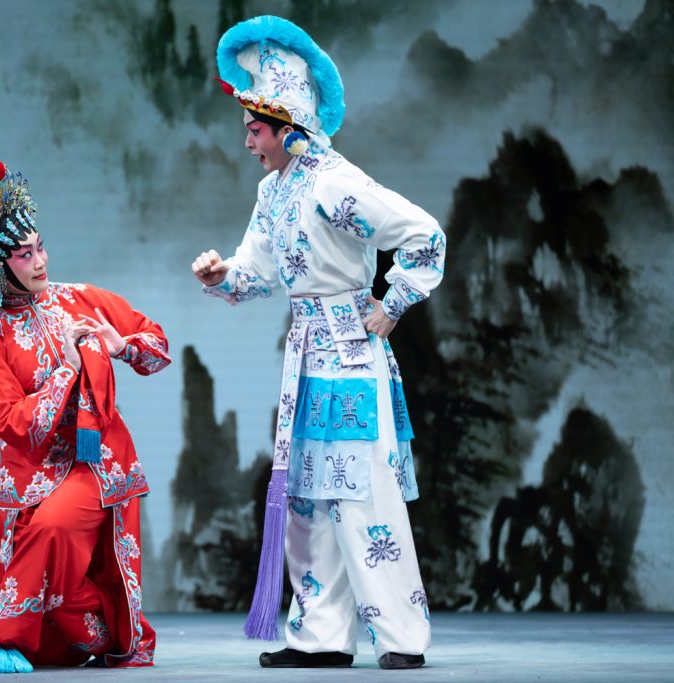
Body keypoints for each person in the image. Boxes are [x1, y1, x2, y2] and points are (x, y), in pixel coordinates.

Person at [191, 16, 446, 670]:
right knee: (306, 496)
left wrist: (392, 303)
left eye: (254, 129)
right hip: (305, 358)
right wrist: (223, 276)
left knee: (361, 494)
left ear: (287, 126)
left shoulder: (335, 183)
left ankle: (401, 636)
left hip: (352, 356)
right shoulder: (272, 190)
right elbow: (257, 270)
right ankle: (321, 635)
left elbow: (423, 234)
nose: (247, 141)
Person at [0, 158, 170, 673]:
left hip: (94, 461)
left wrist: (122, 347)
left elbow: (157, 347)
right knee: (62, 607)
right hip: (26, 472)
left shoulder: (79, 300)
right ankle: (92, 635)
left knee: (53, 526)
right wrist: (66, 372)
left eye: (40, 247)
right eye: (24, 254)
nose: (40, 261)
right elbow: (14, 424)